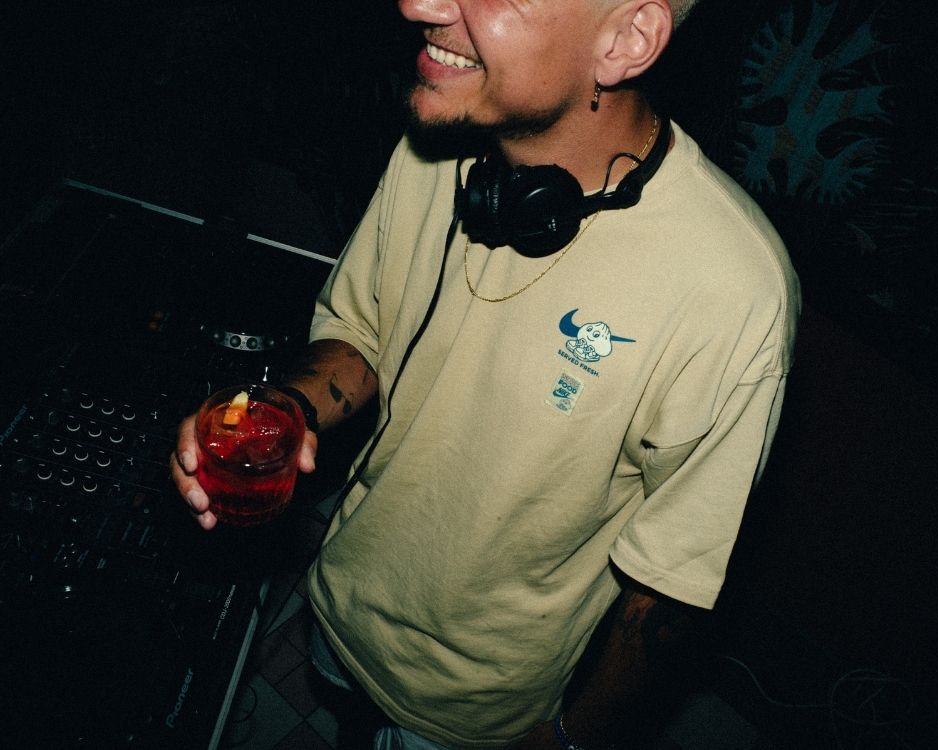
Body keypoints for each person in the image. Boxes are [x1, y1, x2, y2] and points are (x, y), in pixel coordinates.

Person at [172, 0, 801, 747]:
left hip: (476, 710)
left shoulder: (734, 294)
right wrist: (286, 411)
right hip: (339, 604)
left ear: (628, 38)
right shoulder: (440, 142)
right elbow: (362, 332)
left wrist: (572, 740)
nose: (418, 5)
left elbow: (667, 590)